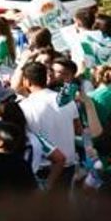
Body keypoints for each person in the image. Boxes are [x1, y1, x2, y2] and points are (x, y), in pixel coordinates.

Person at [15, 60, 78, 191]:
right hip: (68, 168)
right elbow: (78, 129)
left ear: (27, 81)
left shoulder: (23, 106)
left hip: (43, 170)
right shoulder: (67, 100)